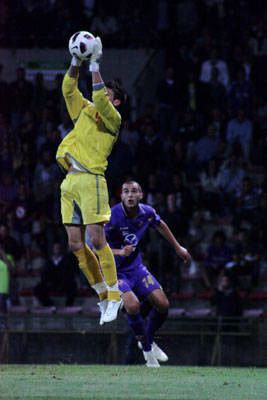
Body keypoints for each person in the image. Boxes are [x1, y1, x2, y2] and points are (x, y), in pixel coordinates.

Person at [56, 35, 125, 324]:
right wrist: (75, 61)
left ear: (116, 101)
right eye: (103, 90)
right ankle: (101, 295)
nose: (103, 94)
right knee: (75, 243)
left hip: (92, 180)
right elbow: (68, 89)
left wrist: (95, 62)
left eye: (109, 93)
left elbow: (98, 95)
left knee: (96, 238)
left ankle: (115, 294)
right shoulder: (85, 110)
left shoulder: (112, 119)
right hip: (69, 182)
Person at [105, 181, 191, 367]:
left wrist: (178, 248)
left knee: (163, 304)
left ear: (140, 196)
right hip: (115, 271)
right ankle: (147, 351)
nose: (130, 195)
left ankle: (148, 341)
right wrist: (119, 252)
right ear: (121, 196)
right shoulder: (111, 216)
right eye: (126, 191)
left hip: (136, 268)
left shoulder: (147, 213)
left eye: (134, 191)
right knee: (133, 305)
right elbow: (96, 248)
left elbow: (160, 225)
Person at [34, 243, 78, 307]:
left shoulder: (66, 261)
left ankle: (68, 305)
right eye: (55, 248)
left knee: (73, 285)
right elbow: (44, 273)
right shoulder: (49, 261)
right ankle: (49, 305)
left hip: (63, 283)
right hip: (51, 283)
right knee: (38, 288)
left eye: (58, 248)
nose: (57, 249)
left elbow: (69, 273)